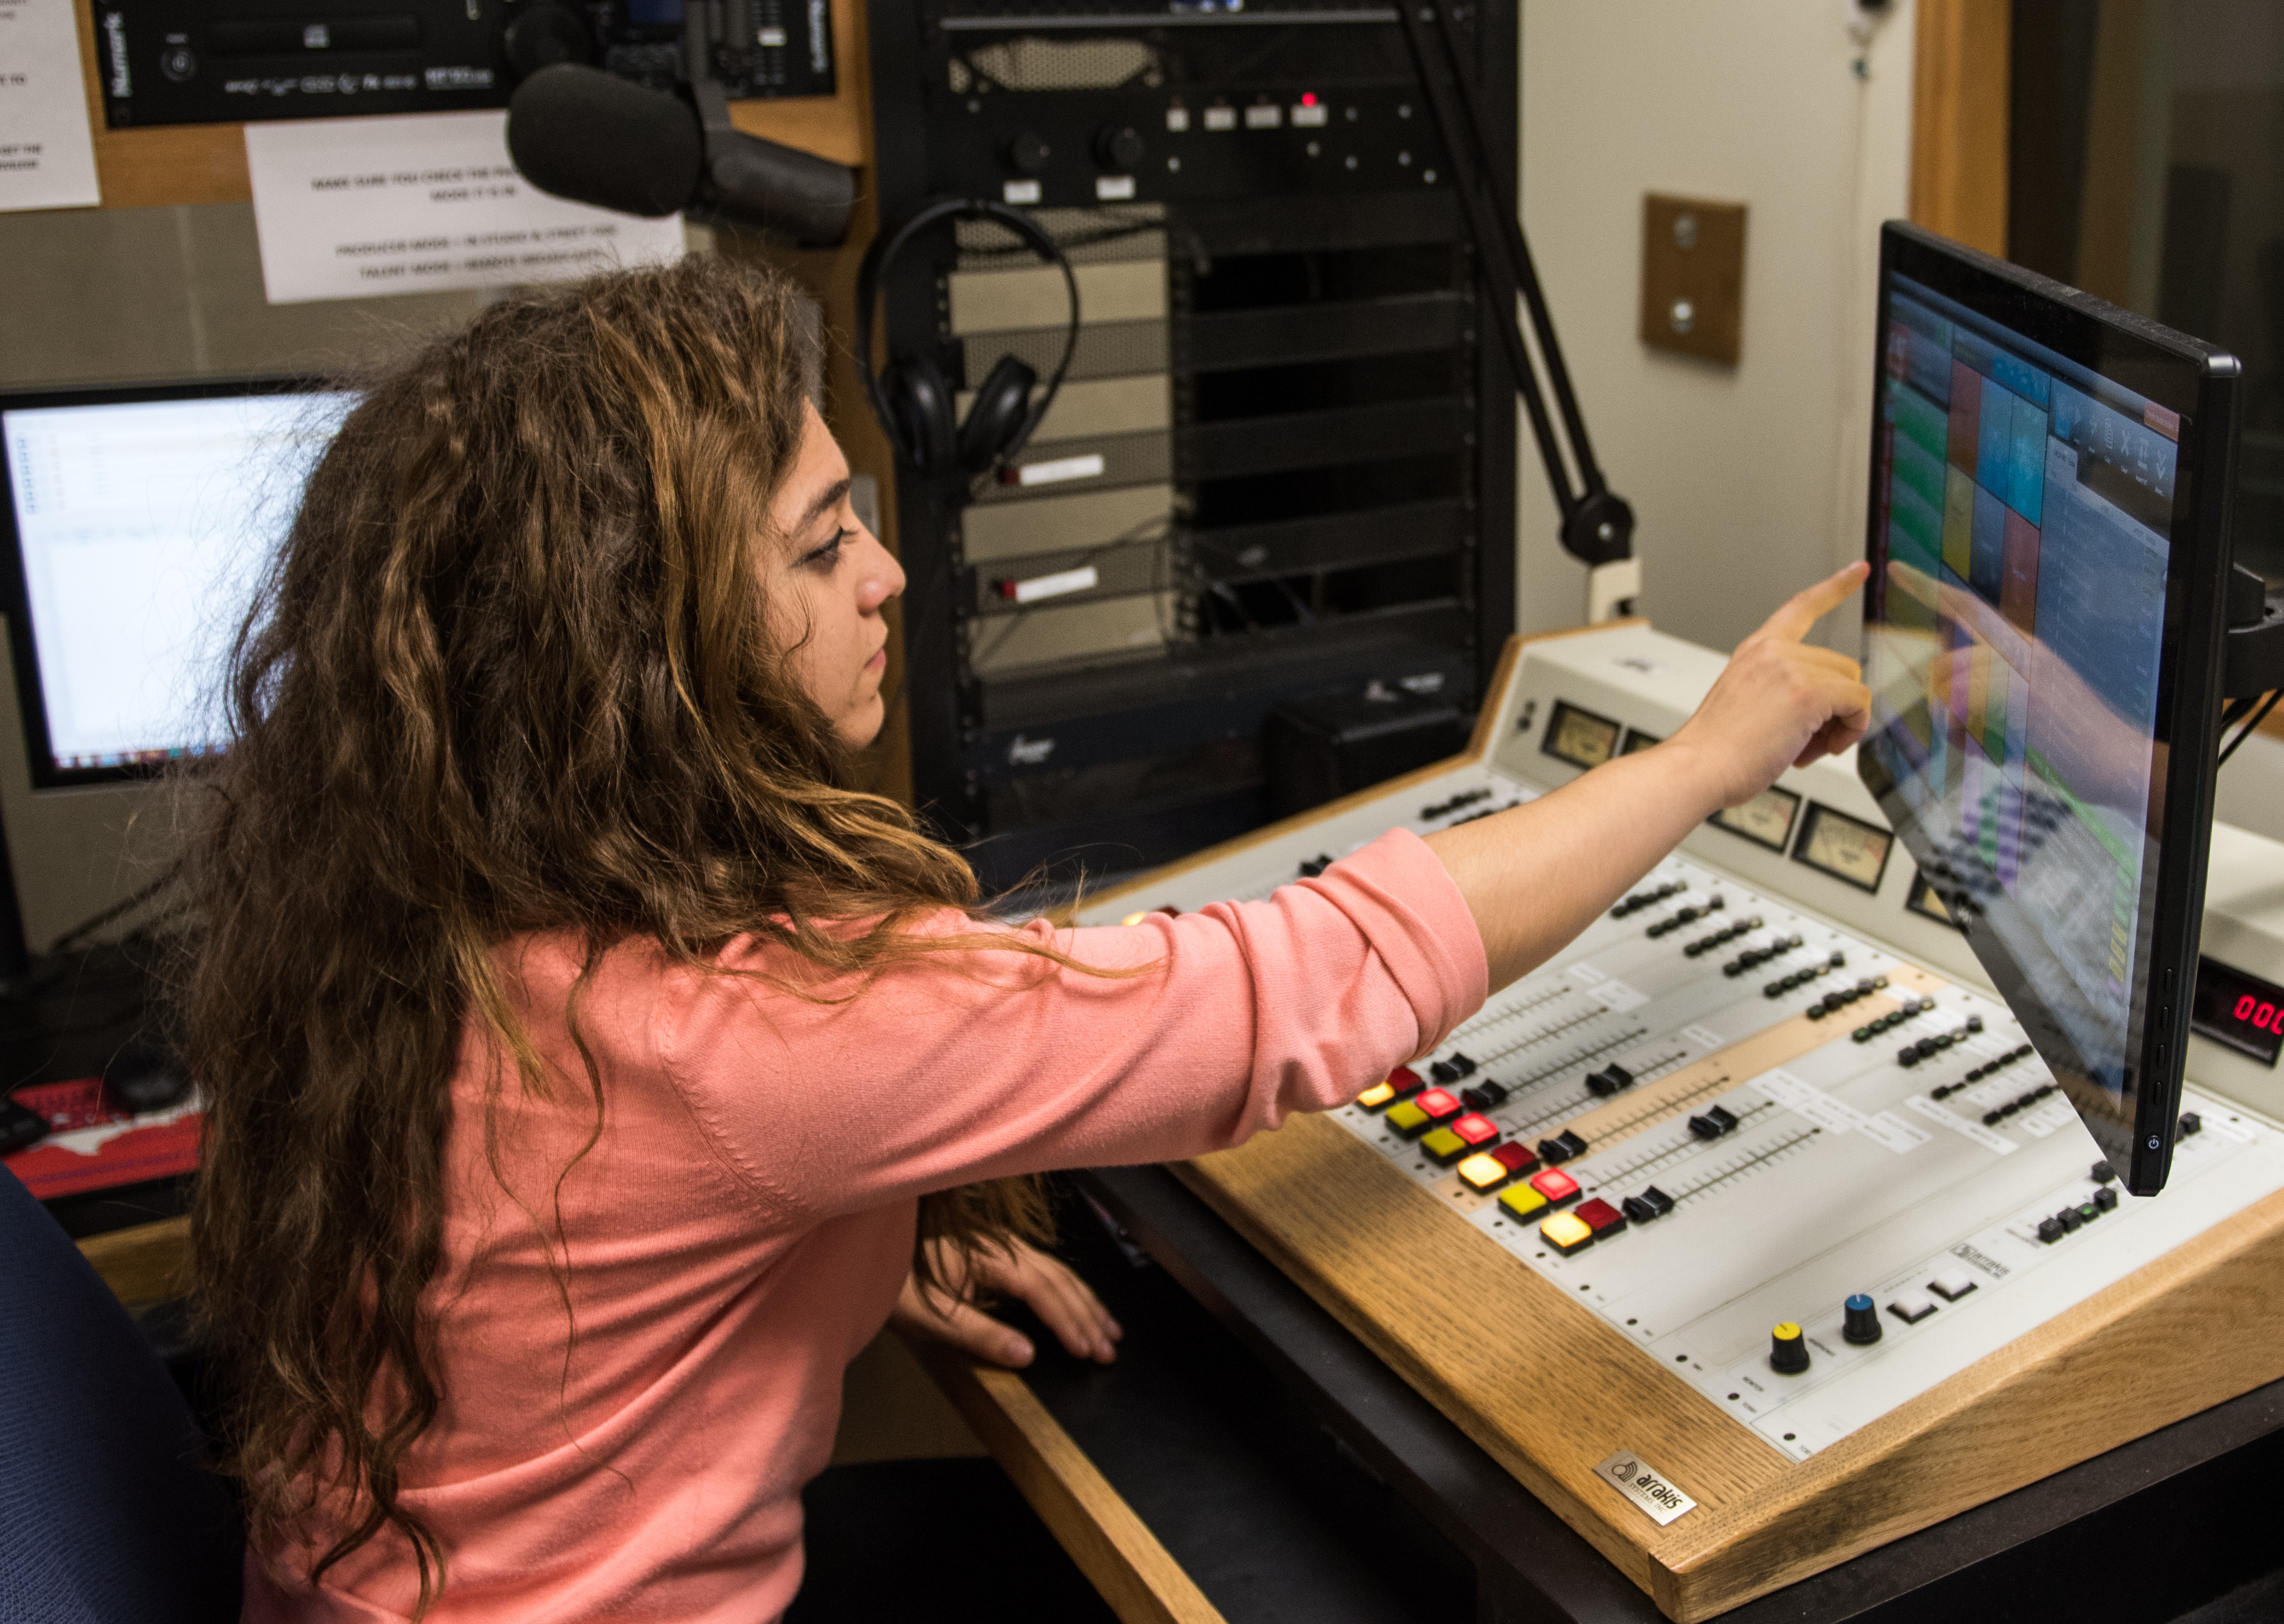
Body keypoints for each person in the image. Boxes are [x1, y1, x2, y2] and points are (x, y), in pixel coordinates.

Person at [184, 255, 1869, 1622]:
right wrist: (1708, 759)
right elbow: (1307, 988)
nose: (890, 577)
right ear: (652, 650)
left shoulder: (425, 911)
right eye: (820, 540)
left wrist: (820, 1253)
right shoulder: (744, 1035)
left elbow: (577, 1276)